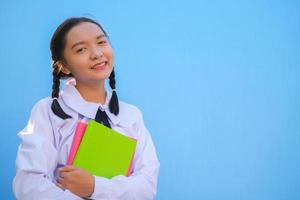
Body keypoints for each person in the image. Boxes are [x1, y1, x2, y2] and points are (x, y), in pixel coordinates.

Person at [13, 17, 160, 200]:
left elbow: (146, 187)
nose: (97, 53)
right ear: (64, 66)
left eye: (101, 42)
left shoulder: (131, 116)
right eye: (81, 49)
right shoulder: (48, 111)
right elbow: (29, 186)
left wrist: (95, 187)